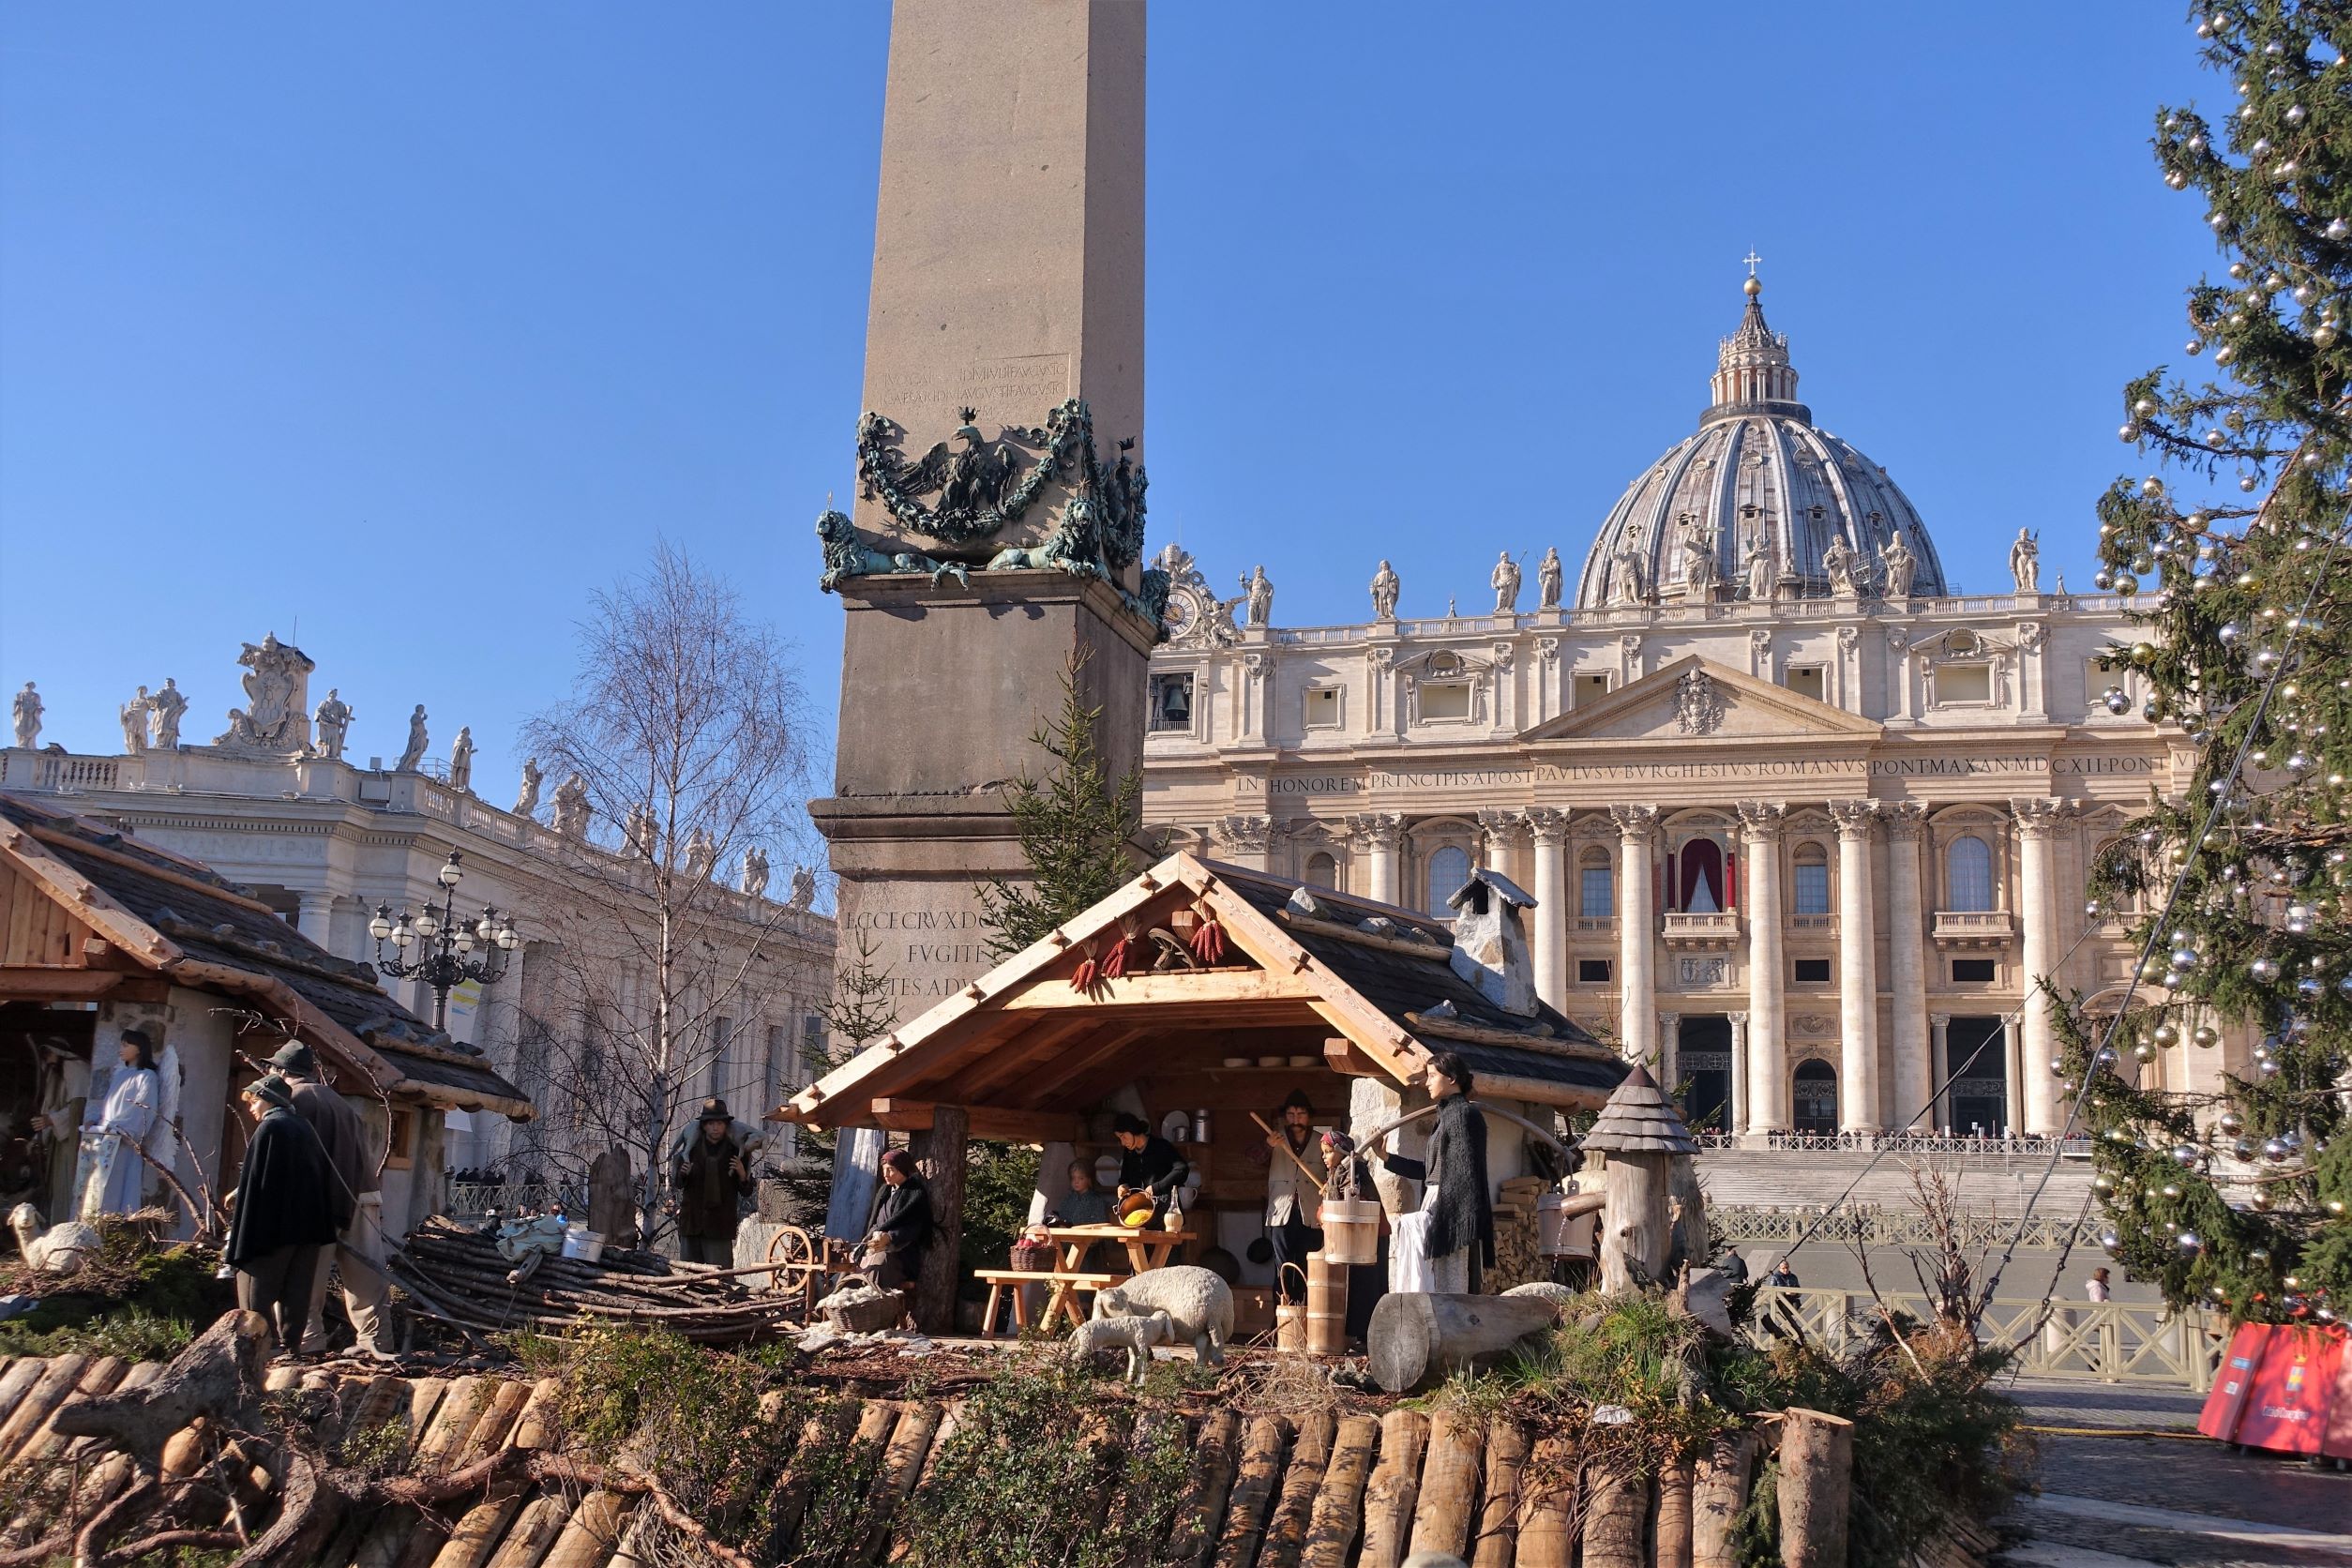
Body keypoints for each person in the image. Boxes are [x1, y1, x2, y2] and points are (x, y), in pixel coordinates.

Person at [268, 1043, 392, 1357]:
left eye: (272, 1068)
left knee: (303, 1276)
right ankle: (375, 1343)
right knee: (366, 1277)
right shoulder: (337, 1100)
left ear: (283, 1072)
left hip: (320, 1203)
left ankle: (305, 1344)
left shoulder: (292, 1100)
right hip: (363, 1195)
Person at [224, 1075, 339, 1357]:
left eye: (254, 1101)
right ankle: (291, 1347)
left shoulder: (270, 1128)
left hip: (272, 1231)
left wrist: (243, 1235)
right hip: (308, 1229)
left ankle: (261, 1349)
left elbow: (258, 1182)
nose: (251, 1108)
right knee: (296, 1292)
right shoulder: (305, 1127)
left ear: (267, 1099)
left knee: (257, 1295)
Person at [1375, 1053, 1494, 1294]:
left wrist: (1445, 1216)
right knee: (1434, 1280)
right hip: (1439, 1201)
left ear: (1451, 1078)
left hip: (1452, 1209)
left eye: (1432, 1076)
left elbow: (1464, 1174)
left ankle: (1449, 1328)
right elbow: (1429, 1172)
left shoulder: (1463, 1115)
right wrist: (1386, 1158)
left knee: (1448, 1282)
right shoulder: (1446, 1117)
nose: (1426, 1083)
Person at [77, 1031, 159, 1220]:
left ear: (139, 1049)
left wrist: (121, 1129)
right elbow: (110, 1105)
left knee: (118, 1188)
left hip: (123, 1143)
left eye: (126, 1045)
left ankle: (114, 1225)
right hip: (105, 1140)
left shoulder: (146, 1077)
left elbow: (144, 1109)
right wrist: (96, 1121)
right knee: (97, 1187)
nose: (121, 1049)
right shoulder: (120, 1074)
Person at [1264, 1091, 1328, 1304]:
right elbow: (1252, 1159)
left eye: (1300, 1114)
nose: (1295, 1119)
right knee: (1281, 1268)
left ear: (1309, 1116)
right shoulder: (1275, 1138)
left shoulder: (1321, 1142)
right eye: (1291, 1114)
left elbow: (1335, 1169)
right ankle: (1281, 1319)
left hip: (1311, 1214)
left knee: (1306, 1268)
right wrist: (1268, 1146)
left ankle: (1305, 1317)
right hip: (1281, 1212)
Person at [673, 1098, 751, 1266]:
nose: (715, 1128)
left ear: (726, 1126)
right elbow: (678, 1184)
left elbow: (746, 1191)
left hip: (719, 1227)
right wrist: (683, 1174)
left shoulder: (737, 1151)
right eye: (710, 1124)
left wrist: (742, 1174)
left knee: (720, 1278)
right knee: (688, 1276)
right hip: (692, 1223)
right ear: (703, 1126)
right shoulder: (691, 1149)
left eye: (719, 1124)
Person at [863, 1148, 933, 1292]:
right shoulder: (885, 1191)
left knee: (878, 1265)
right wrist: (872, 1238)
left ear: (903, 1169)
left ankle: (875, 1305)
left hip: (901, 1256)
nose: (886, 1174)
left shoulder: (914, 1194)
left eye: (891, 1170)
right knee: (852, 1264)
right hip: (878, 1249)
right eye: (884, 1169)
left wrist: (889, 1237)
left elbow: (913, 1227)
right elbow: (877, 1222)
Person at [1112, 1112, 1190, 1223]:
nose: (1122, 1142)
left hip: (1166, 1214)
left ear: (1133, 1130)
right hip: (1139, 1215)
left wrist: (1157, 1187)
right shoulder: (1129, 1153)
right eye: (1120, 1138)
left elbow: (1182, 1169)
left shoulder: (1161, 1147)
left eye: (1123, 1137)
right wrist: (1122, 1187)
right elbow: (1124, 1179)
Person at [1048, 1158, 1114, 1228]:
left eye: (1081, 1178)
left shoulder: (1096, 1201)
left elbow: (1100, 1225)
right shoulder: (1068, 1199)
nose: (1076, 1182)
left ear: (1089, 1179)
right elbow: (1063, 1217)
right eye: (1073, 1178)